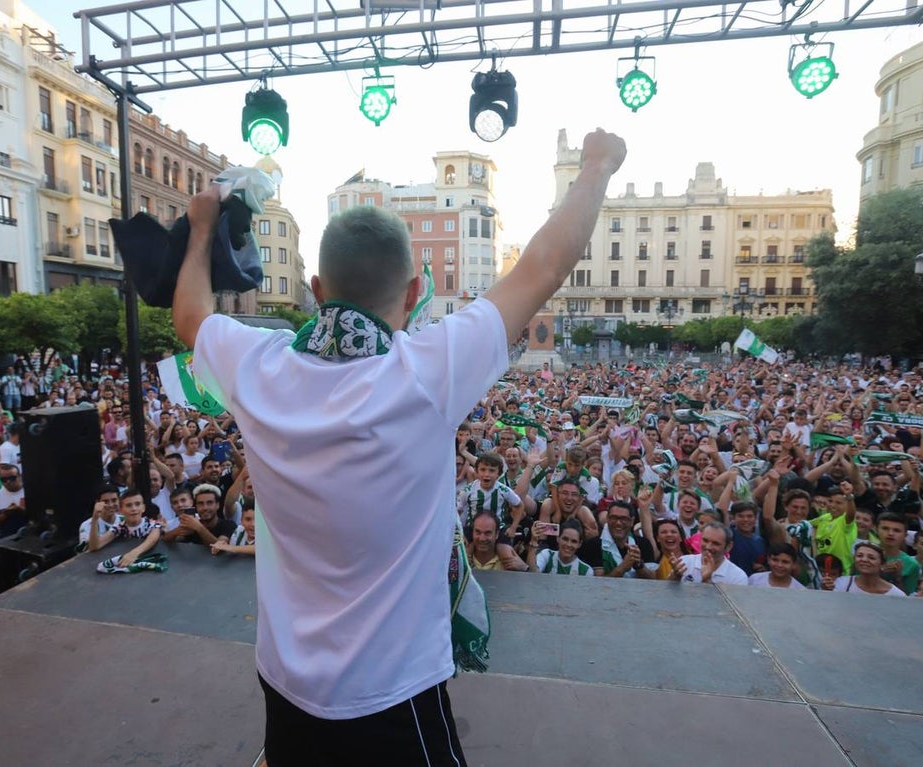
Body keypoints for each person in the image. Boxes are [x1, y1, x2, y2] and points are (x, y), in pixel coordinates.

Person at [174, 129, 627, 764]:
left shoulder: (258, 367)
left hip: (284, 679)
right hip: (391, 692)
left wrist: (200, 229)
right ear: (415, 296)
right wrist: (598, 167)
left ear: (315, 291)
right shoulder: (428, 372)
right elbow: (544, 268)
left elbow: (191, 318)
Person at [669, 521, 748, 585]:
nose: (708, 547)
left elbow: (729, 605)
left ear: (728, 547)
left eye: (715, 543)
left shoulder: (738, 577)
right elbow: (668, 593)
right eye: (705, 540)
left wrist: (707, 580)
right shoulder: (684, 562)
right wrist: (675, 576)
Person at [828, 542, 906, 596]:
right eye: (859, 556)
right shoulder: (841, 583)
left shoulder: (896, 594)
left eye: (871, 557)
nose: (864, 560)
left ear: (882, 564)